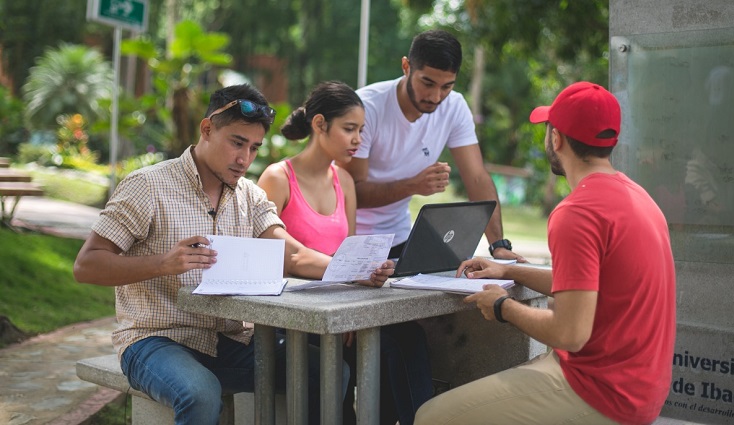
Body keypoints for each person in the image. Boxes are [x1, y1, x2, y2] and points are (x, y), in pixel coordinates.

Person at [73, 84, 392, 425]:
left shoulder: (250, 196)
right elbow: (86, 265)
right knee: (200, 393)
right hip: (155, 340)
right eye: (237, 143)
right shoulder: (147, 185)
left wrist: (355, 270)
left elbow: (294, 255)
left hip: (231, 340)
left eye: (254, 148)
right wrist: (163, 263)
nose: (244, 159)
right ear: (207, 129)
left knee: (329, 371)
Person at [414, 82, 677, 425]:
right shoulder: (638, 197)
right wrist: (509, 271)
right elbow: (591, 286)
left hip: (602, 394)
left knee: (431, 416)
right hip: (642, 387)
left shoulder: (577, 213)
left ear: (556, 139)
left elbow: (570, 332)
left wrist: (501, 306)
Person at [257, 80, 430, 425]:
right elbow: (283, 256)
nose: (358, 140)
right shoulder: (277, 178)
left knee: (406, 337)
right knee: (337, 366)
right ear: (319, 124)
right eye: (349, 129)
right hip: (292, 315)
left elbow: (348, 252)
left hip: (339, 307)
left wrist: (361, 281)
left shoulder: (345, 182)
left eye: (361, 130)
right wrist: (353, 272)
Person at [339, 29, 525, 263]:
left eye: (446, 86)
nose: (436, 97)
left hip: (398, 239)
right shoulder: (366, 107)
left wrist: (498, 245)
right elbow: (350, 194)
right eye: (427, 83)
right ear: (406, 67)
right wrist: (413, 185)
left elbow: (477, 178)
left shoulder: (455, 107)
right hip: (348, 241)